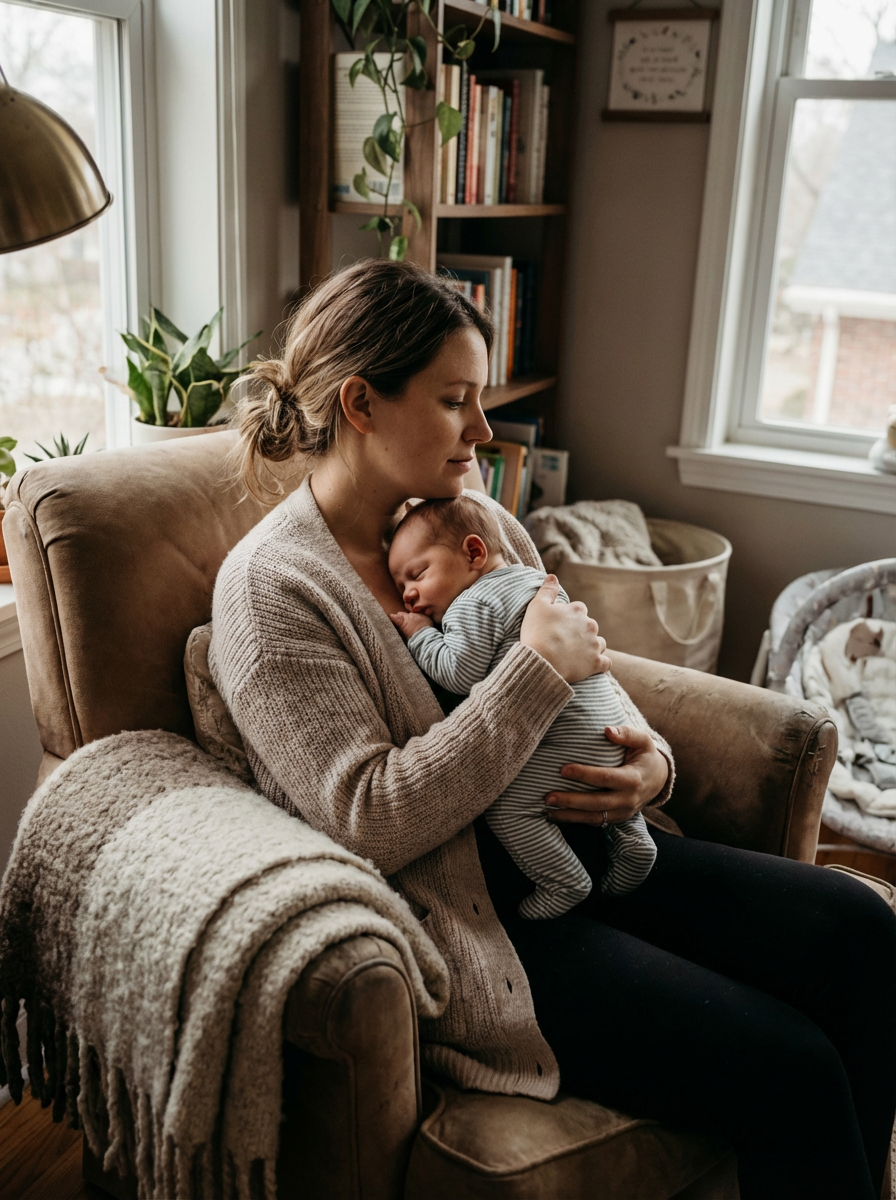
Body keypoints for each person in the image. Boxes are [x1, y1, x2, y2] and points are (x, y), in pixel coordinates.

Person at [209, 258, 896, 1200]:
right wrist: (530, 675)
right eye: (455, 401)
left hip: (600, 850)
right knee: (793, 1067)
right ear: (361, 404)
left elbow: (588, 679)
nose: (483, 432)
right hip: (481, 924)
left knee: (864, 930)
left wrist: (650, 765)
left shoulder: (476, 520)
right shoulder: (272, 591)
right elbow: (367, 815)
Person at [387, 493, 657, 914]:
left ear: (473, 552)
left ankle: (563, 881)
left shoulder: (472, 602)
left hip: (561, 744)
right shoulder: (531, 581)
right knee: (604, 779)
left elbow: (459, 672)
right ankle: (633, 841)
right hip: (612, 735)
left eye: (417, 575)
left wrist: (422, 633)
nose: (408, 594)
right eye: (401, 586)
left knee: (508, 807)